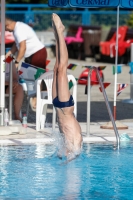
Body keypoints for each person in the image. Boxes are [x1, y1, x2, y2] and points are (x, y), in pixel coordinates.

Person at [52, 13, 82, 161]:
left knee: (56, 68)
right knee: (62, 69)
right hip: (65, 107)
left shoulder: (66, 148)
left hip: (58, 107)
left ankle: (56, 35)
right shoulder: (76, 147)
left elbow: (60, 152)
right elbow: (76, 149)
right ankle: (60, 31)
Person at [5, 17, 48, 110]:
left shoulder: (18, 30)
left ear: (7, 25)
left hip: (37, 52)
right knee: (29, 76)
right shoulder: (17, 28)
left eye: (6, 29)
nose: (6, 31)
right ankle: (34, 96)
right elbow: (16, 45)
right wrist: (7, 56)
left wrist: (16, 62)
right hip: (31, 54)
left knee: (37, 77)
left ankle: (38, 100)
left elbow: (22, 47)